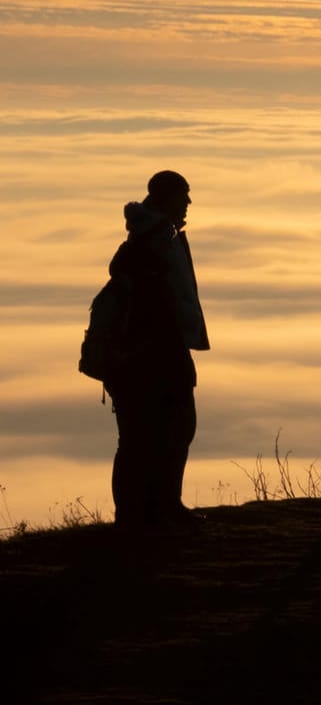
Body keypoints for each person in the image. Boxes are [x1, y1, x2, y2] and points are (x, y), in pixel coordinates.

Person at [105, 170, 210, 532]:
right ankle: (146, 513)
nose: (189, 204)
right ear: (167, 198)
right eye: (184, 195)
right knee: (151, 434)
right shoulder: (153, 241)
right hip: (152, 352)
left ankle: (153, 509)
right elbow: (152, 297)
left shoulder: (156, 237)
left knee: (164, 431)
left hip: (157, 349)